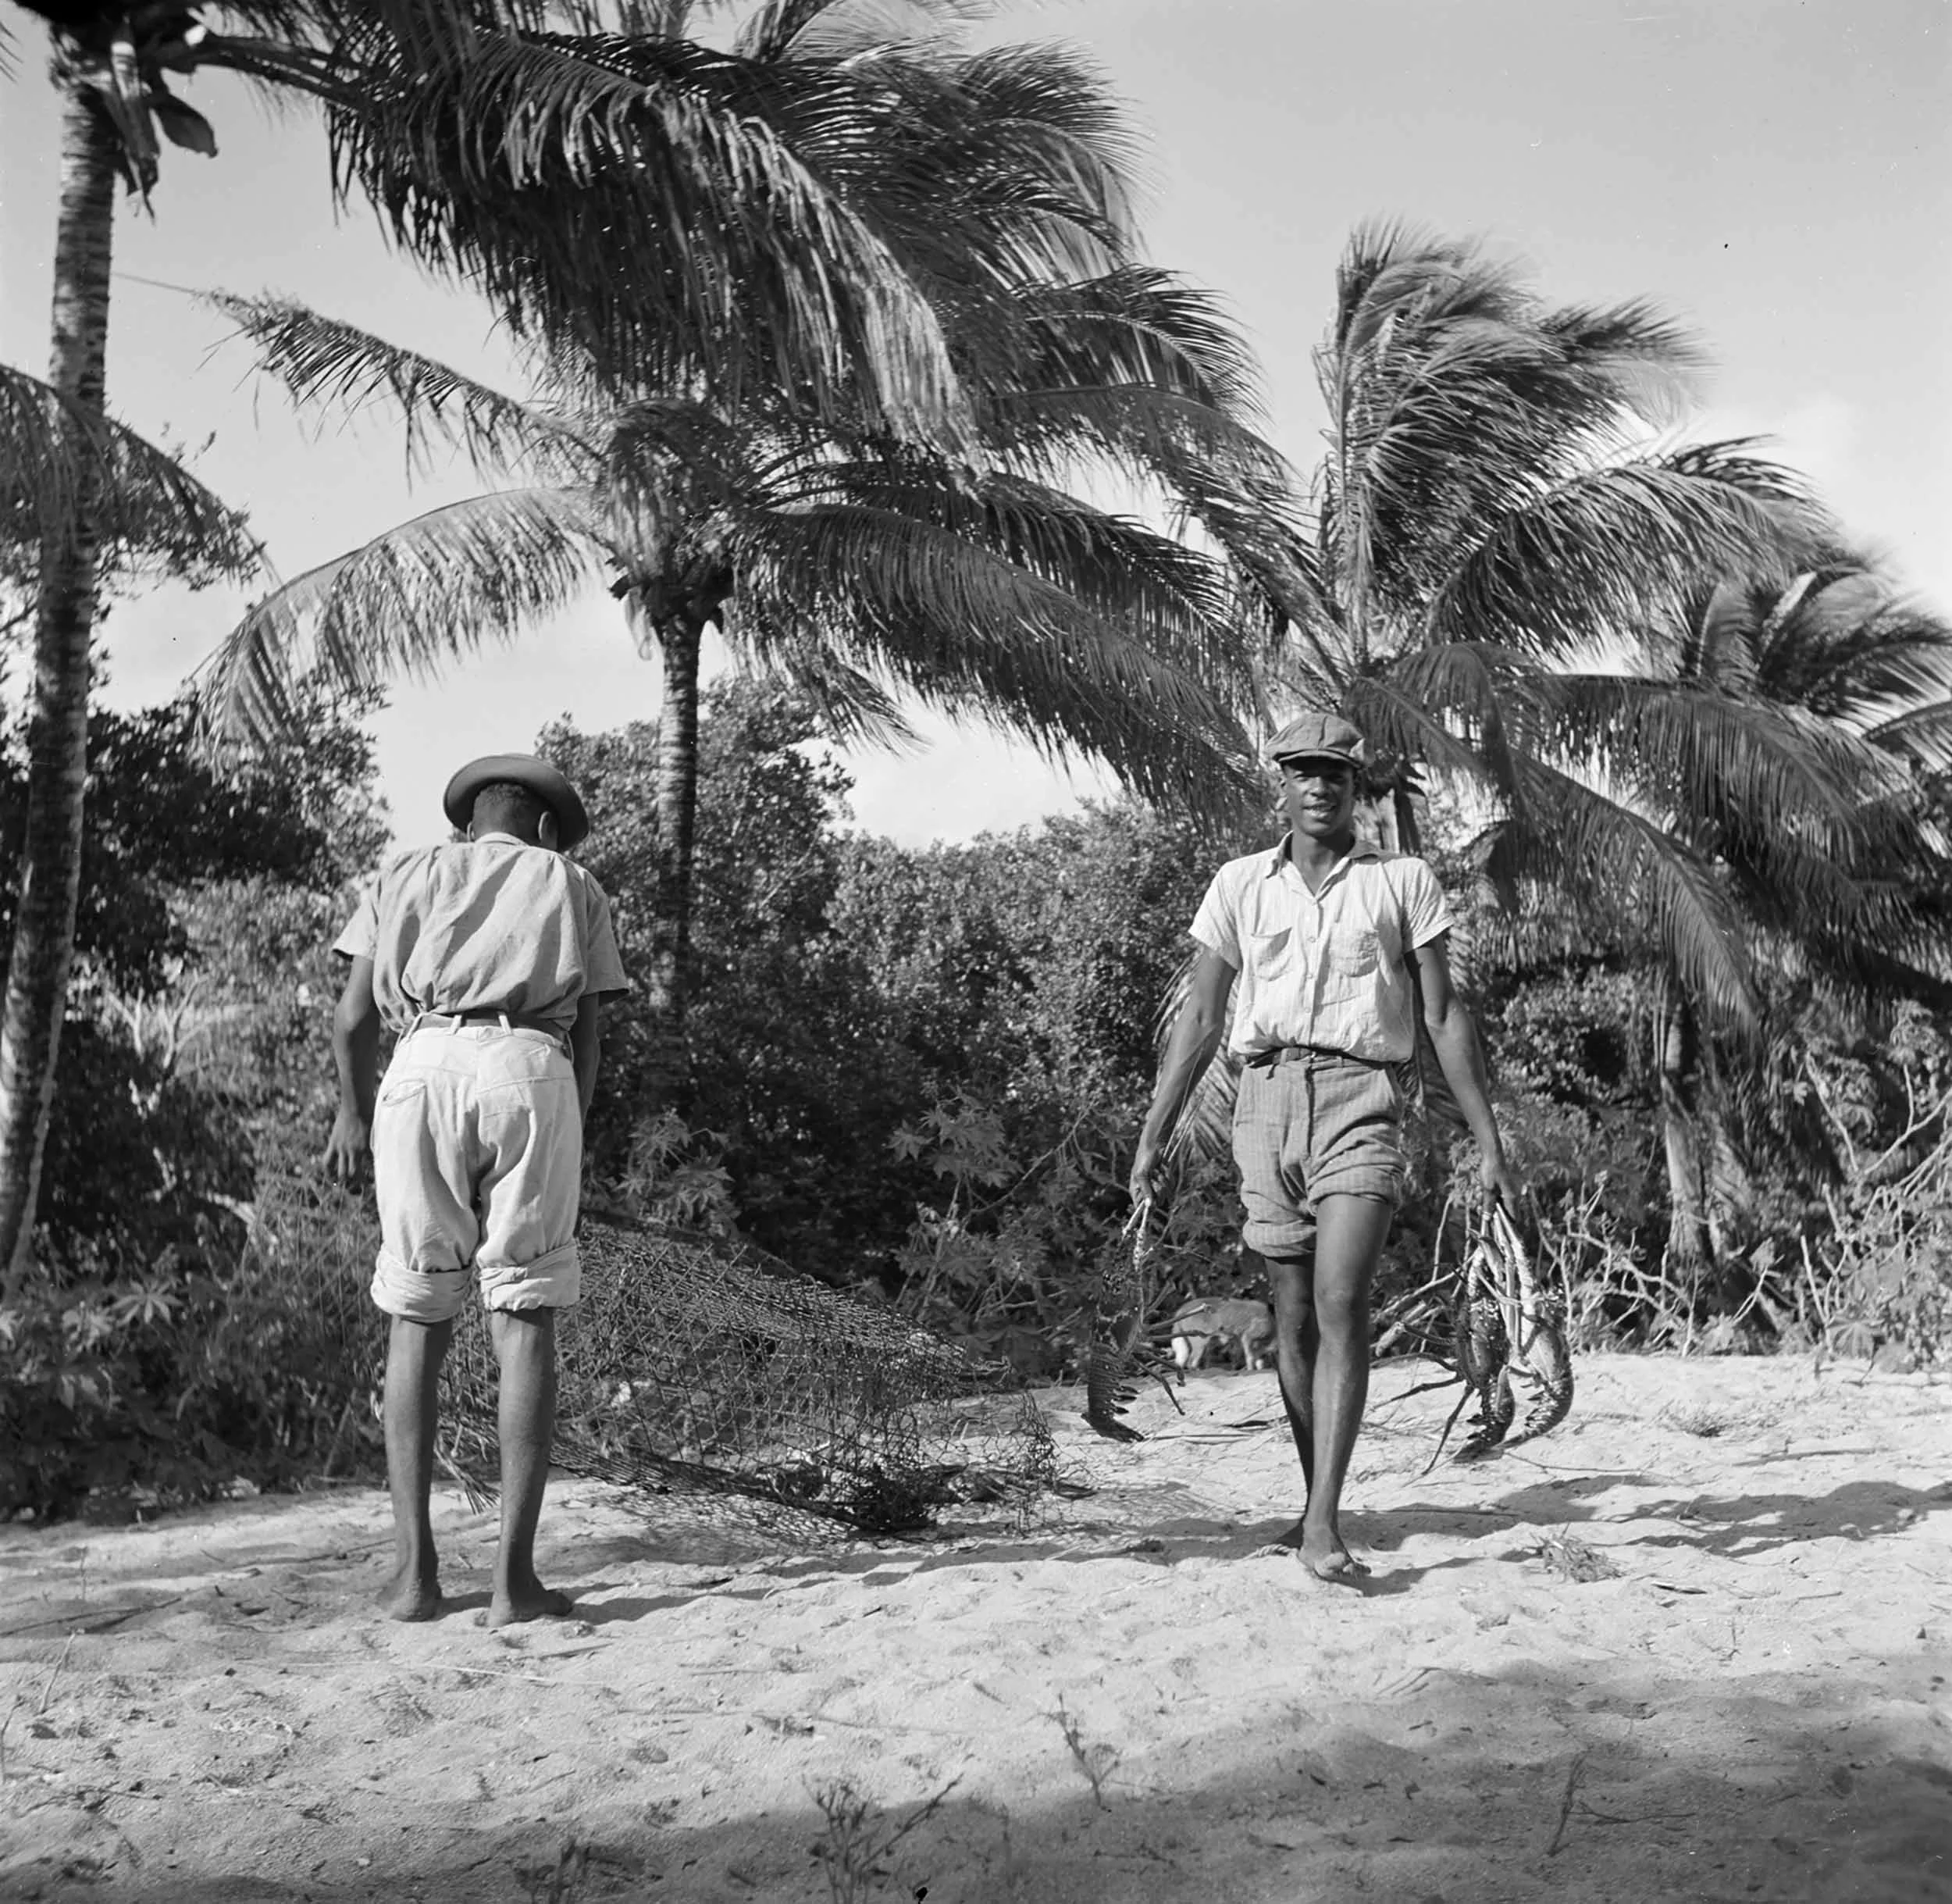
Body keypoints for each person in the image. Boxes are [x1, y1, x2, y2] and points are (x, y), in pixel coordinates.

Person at [1130, 711, 1519, 1583]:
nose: (1317, 786)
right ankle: (1320, 1508)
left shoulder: (1404, 882)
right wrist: (1154, 1132)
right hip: (1264, 1104)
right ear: (1282, 780)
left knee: (1342, 1301)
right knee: (1294, 1317)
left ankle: (1319, 1527)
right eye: (1302, 771)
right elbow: (1200, 1018)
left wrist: (1487, 1139)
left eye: (1333, 774)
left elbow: (1442, 1015)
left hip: (1362, 1099)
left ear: (1356, 789)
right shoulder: (1238, 885)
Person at [324, 754, 628, 1625]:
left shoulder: (406, 871)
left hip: (419, 1063)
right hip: (531, 1063)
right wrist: (567, 1127)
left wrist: (351, 1115)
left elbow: (351, 1019)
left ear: (469, 824)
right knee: (523, 1315)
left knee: (417, 1313)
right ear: (541, 829)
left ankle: (415, 1579)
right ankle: (512, 1585)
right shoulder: (570, 881)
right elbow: (593, 1037)